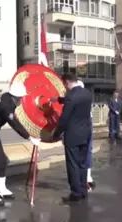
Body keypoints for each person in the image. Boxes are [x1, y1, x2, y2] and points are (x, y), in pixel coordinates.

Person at [52, 73, 92, 202]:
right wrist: (58, 99)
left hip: (73, 136)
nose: (65, 87)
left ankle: (76, 193)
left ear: (67, 82)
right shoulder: (87, 94)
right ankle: (83, 189)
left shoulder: (71, 97)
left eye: (64, 84)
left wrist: (56, 134)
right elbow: (74, 102)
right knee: (82, 163)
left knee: (73, 164)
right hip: (85, 134)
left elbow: (64, 119)